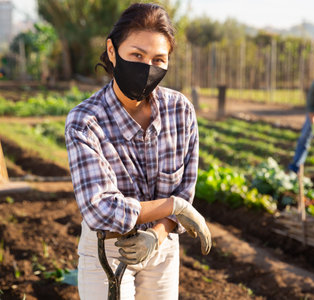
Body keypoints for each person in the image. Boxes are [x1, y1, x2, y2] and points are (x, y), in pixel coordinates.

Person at [64, 3, 211, 299]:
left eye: (159, 59)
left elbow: (185, 188)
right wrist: (173, 207)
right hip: (107, 251)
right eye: (137, 55)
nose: (147, 67)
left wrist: (157, 234)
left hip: (162, 246)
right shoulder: (85, 121)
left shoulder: (180, 111)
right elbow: (98, 208)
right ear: (112, 50)